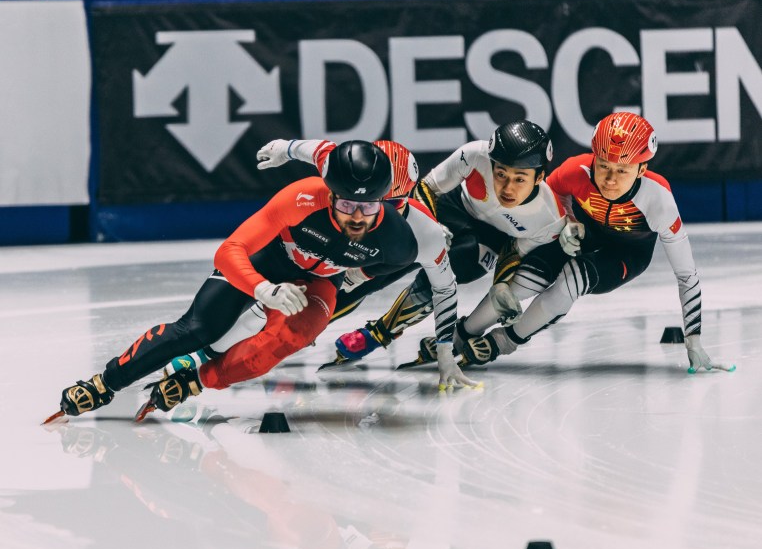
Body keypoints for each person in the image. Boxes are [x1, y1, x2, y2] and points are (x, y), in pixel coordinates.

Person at [47, 140, 420, 423]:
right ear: (331, 193)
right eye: (346, 206)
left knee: (290, 338)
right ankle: (106, 382)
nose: (357, 217)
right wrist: (263, 289)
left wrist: (355, 276)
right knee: (197, 329)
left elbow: (396, 266)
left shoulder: (400, 242)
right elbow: (231, 250)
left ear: (388, 201)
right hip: (271, 260)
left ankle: (197, 379)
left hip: (318, 282)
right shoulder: (302, 197)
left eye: (370, 207)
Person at [165, 138, 478, 389]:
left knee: (313, 313)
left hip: (363, 265)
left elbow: (444, 288)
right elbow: (317, 150)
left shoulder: (421, 230)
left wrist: (445, 353)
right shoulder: (344, 176)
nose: (366, 211)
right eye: (363, 199)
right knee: (278, 297)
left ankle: (210, 358)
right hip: (326, 251)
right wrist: (284, 148)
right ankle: (204, 354)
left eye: (385, 203)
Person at [458, 111, 732, 374]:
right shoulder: (575, 170)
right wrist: (566, 221)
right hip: (580, 234)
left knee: (571, 281)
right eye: (603, 166)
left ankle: (503, 342)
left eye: (622, 170)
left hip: (625, 254)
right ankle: (463, 332)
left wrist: (693, 339)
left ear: (642, 169)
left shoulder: (658, 201)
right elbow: (549, 201)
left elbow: (686, 275)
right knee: (526, 279)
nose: (610, 180)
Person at [333, 120, 567, 367]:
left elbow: (514, 251)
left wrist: (501, 283)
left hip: (489, 240)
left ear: (540, 176)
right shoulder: (475, 155)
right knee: (390, 261)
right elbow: (427, 187)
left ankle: (379, 333)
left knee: (446, 275)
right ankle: (322, 309)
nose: (507, 188)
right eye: (500, 174)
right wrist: (429, 225)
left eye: (520, 179)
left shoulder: (550, 219)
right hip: (452, 208)